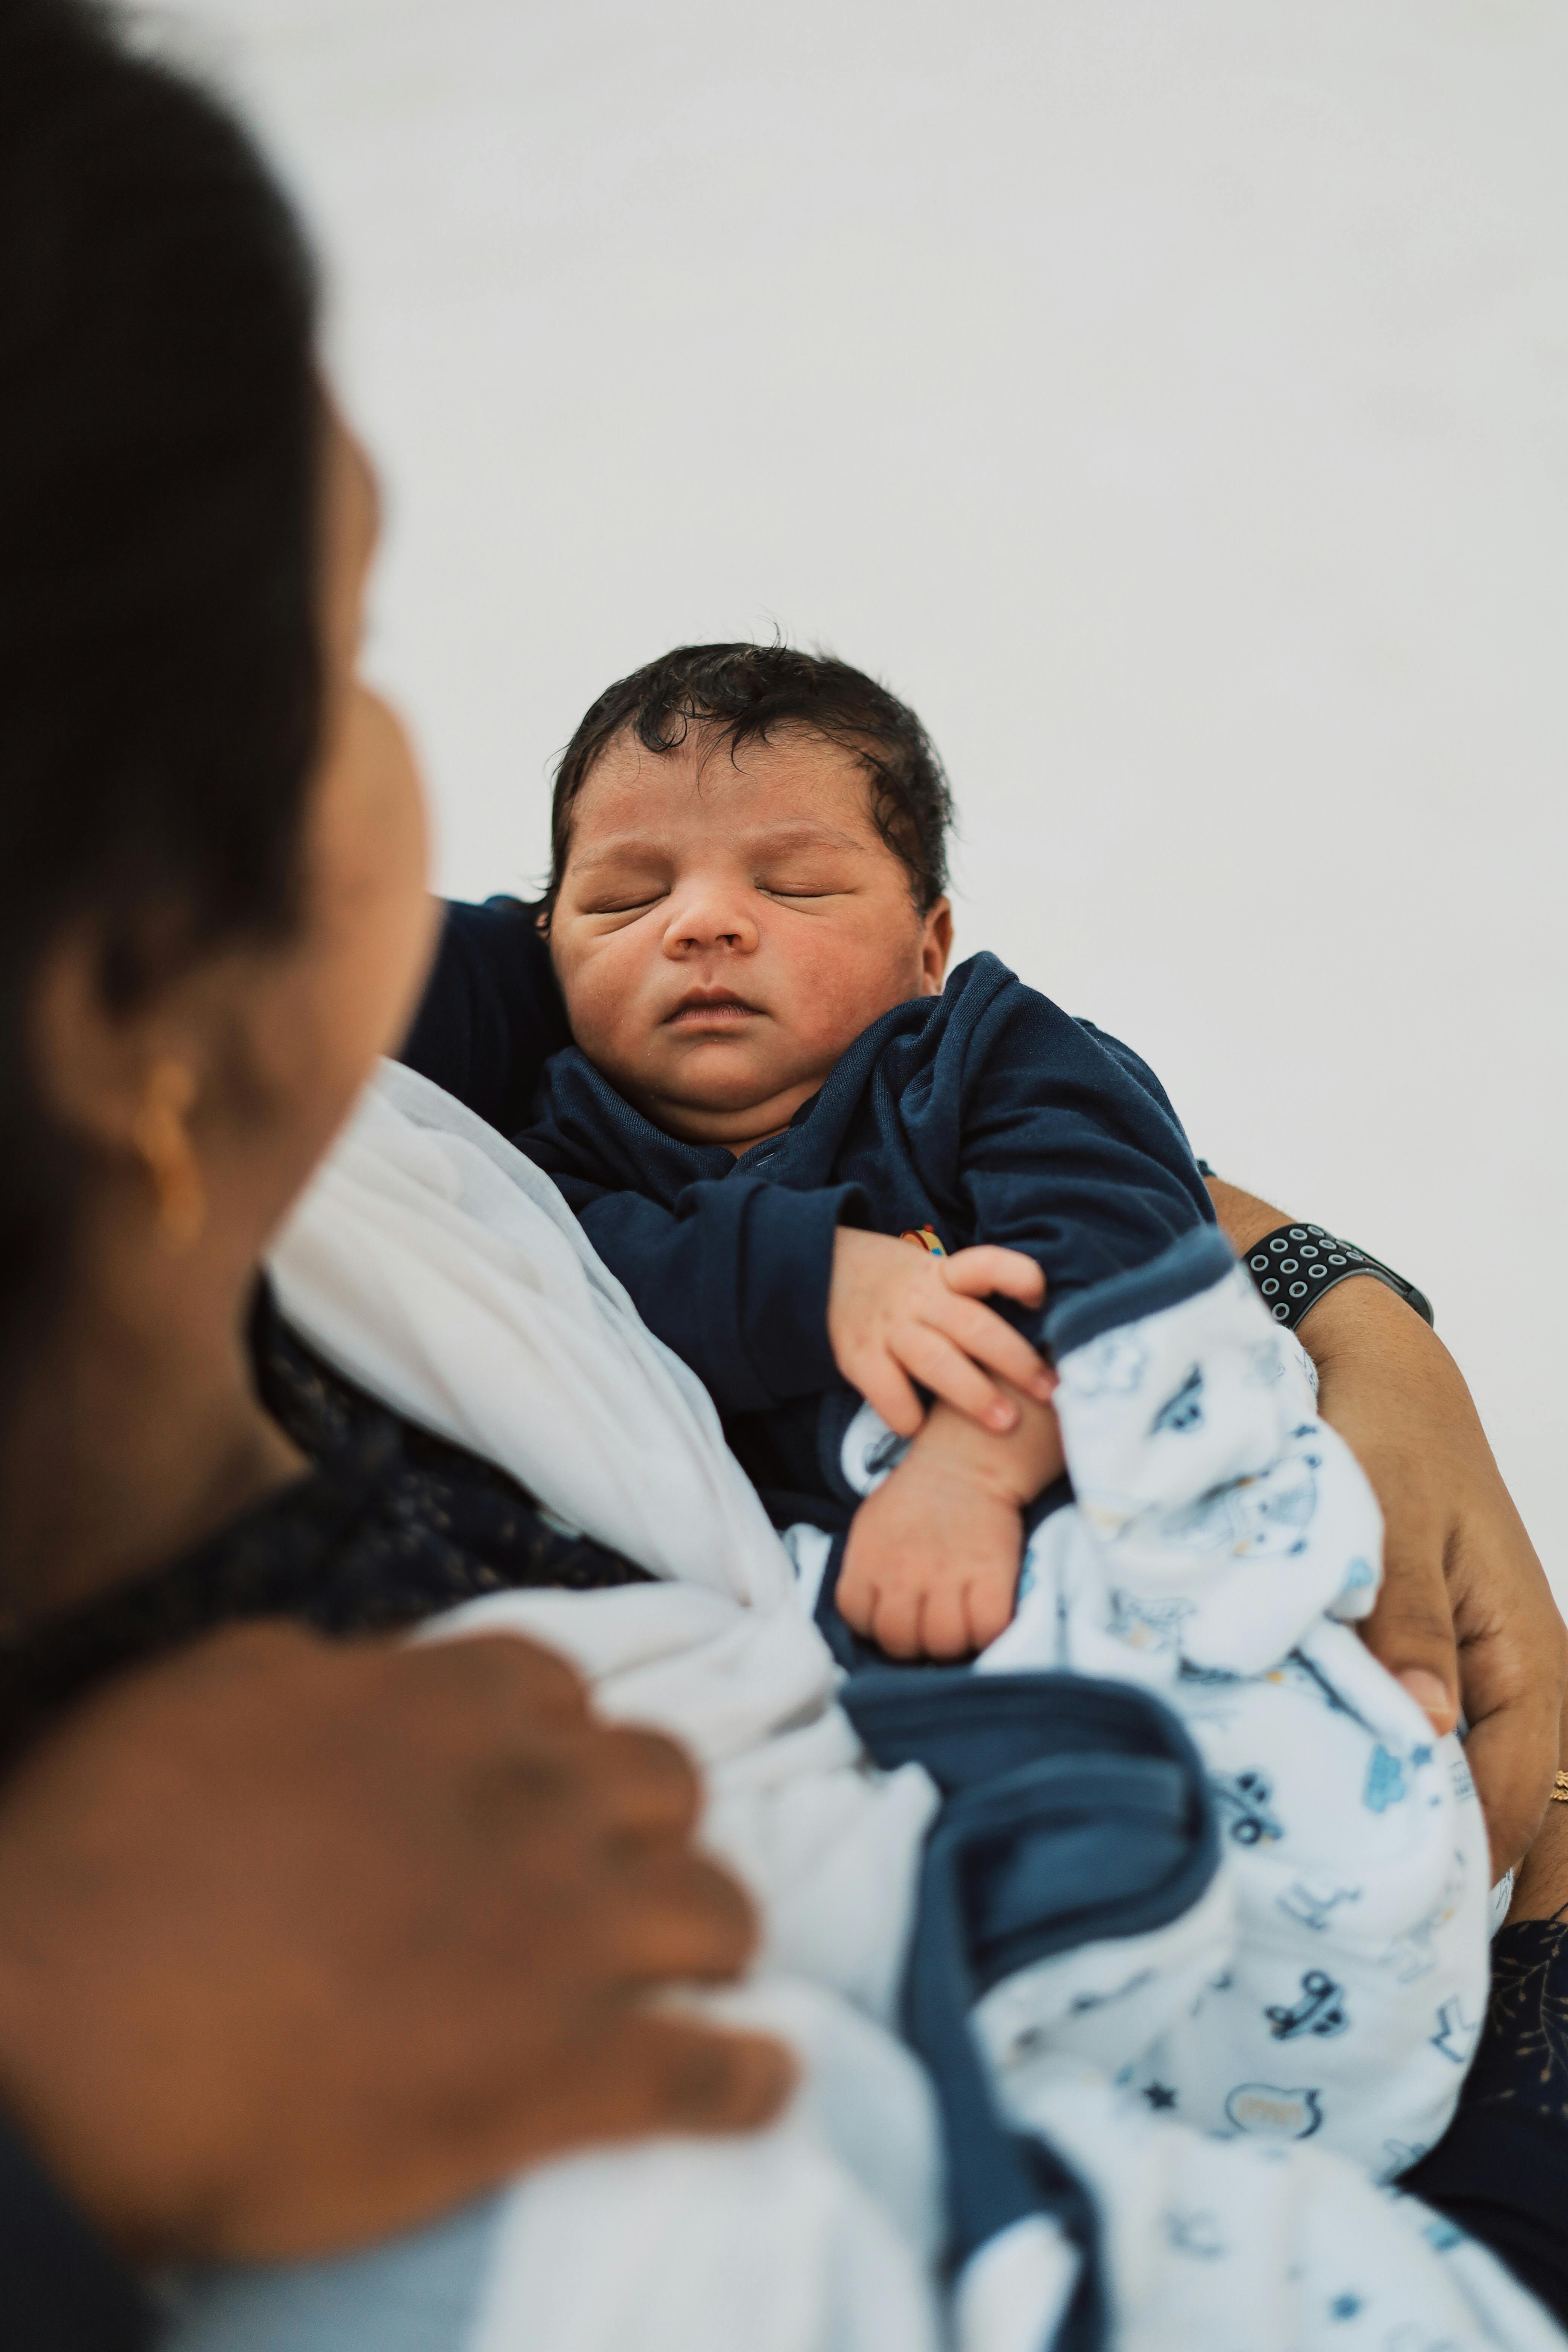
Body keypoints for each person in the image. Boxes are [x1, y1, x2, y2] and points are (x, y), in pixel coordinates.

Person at [1, 0, 1565, 2340]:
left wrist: (1344, 1301)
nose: (659, 934)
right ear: (138, 987)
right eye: (344, 661)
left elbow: (1005, 1116)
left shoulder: (345, 1120)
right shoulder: (324, 2037)